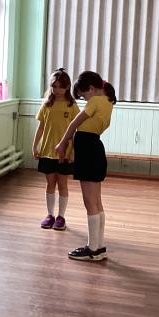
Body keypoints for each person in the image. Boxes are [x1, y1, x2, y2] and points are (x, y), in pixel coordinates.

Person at [54, 71, 117, 261]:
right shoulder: (108, 102)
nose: (84, 100)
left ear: (91, 89)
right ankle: (99, 247)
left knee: (90, 202)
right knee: (96, 201)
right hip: (94, 149)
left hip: (88, 151)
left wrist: (62, 143)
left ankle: (92, 249)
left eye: (83, 96)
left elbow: (74, 124)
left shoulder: (96, 101)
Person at [32, 68, 79, 231]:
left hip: (64, 153)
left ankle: (61, 216)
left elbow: (76, 130)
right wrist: (34, 146)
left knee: (62, 184)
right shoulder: (46, 105)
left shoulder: (72, 106)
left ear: (67, 87)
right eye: (54, 86)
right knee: (50, 183)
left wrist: (73, 151)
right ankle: (50, 215)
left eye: (61, 86)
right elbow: (41, 127)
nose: (57, 90)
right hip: (47, 151)